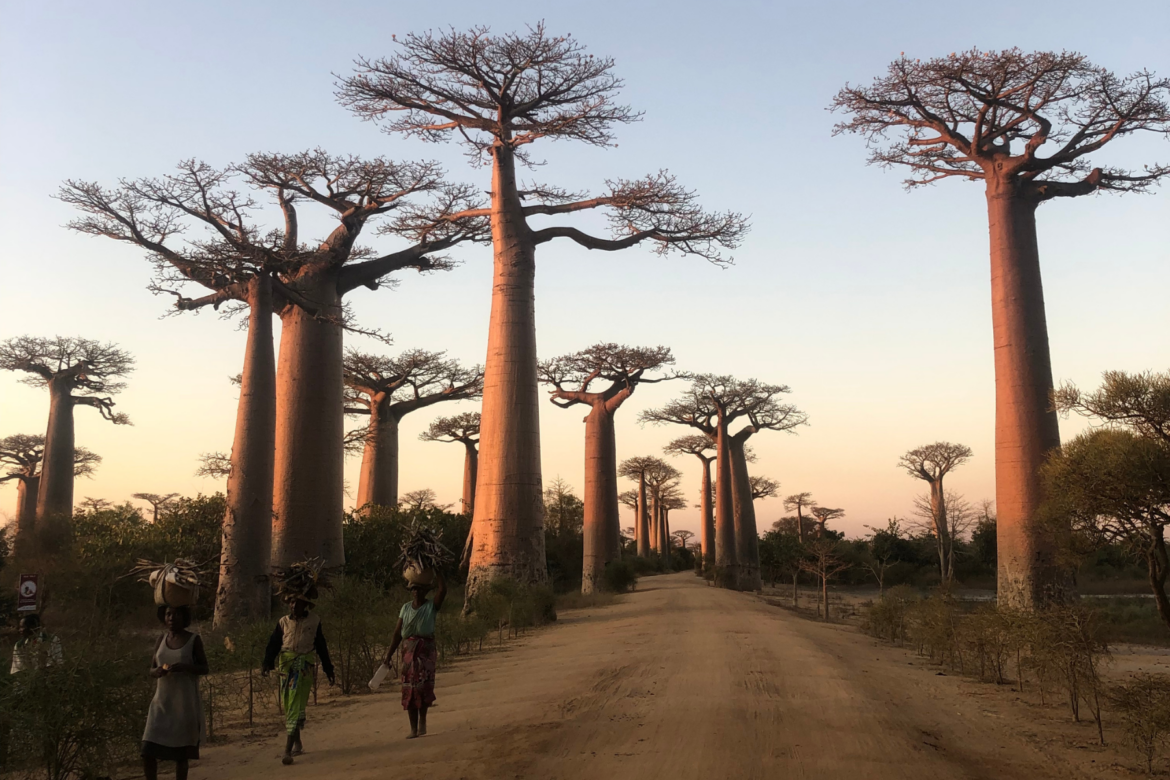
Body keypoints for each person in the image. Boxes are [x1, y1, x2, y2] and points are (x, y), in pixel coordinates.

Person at [262, 595, 335, 765]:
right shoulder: (283, 622)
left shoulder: (314, 621)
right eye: (292, 602)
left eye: (298, 602)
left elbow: (321, 646)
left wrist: (328, 669)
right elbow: (273, 644)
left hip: (303, 668)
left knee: (295, 704)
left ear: (306, 604)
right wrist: (267, 662)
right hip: (286, 666)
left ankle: (287, 751)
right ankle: (298, 743)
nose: (294, 606)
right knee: (289, 704)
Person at [141, 605, 209, 780]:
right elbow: (151, 668)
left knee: (180, 755)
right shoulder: (161, 639)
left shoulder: (194, 640)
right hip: (161, 703)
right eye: (168, 614)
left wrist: (186, 667)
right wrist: (156, 672)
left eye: (176, 614)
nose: (172, 618)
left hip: (183, 705)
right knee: (147, 750)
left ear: (184, 617)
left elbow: (204, 668)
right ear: (164, 617)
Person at [384, 570, 446, 738]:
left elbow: (442, 590)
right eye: (414, 589)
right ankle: (413, 728)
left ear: (426, 591)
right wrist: (388, 655)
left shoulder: (431, 606)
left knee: (424, 686)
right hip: (408, 652)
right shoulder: (405, 608)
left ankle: (422, 722)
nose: (416, 592)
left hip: (425, 651)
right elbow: (397, 633)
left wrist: (438, 569)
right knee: (408, 688)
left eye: (419, 589)